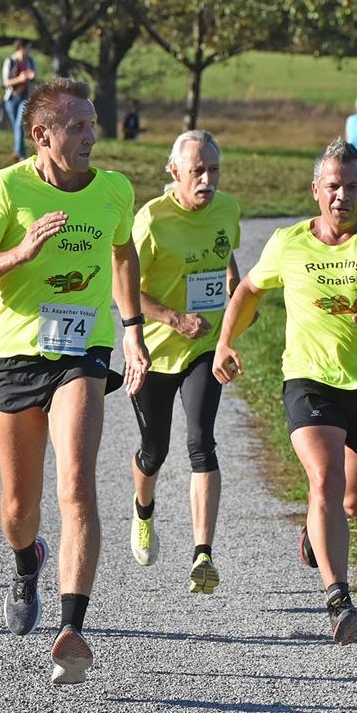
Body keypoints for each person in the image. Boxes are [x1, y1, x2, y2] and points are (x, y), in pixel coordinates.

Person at [0, 77, 150, 684]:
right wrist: (20, 255)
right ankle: (25, 562)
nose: (93, 135)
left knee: (77, 482)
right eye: (78, 127)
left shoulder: (115, 189)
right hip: (14, 357)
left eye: (93, 123)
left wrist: (133, 327)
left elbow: (122, 253)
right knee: (19, 507)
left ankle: (72, 627)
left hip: (81, 355)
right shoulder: (5, 188)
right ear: (41, 135)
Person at [212, 138, 357, 644]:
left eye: (353, 187)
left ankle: (316, 533)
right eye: (333, 186)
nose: (342, 196)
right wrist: (225, 342)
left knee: (351, 502)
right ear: (316, 190)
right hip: (309, 379)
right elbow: (249, 289)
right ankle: (339, 600)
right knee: (324, 478)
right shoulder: (289, 242)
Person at [127, 130, 241, 595]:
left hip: (202, 349)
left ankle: (202, 556)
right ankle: (143, 510)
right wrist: (173, 318)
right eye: (197, 171)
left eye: (214, 170)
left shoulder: (228, 211)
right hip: (155, 349)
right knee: (154, 451)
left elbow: (228, 262)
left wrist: (234, 302)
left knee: (201, 443)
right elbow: (124, 289)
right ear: (173, 172)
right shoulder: (151, 220)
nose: (207, 180)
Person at [1, 38, 37, 162]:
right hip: (11, 98)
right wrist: (21, 79)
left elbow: (34, 77)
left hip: (26, 98)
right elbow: (5, 82)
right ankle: (19, 151)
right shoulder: (10, 61)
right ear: (21, 47)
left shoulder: (30, 61)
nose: (30, 50)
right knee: (17, 126)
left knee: (19, 123)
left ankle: (19, 154)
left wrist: (32, 77)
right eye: (29, 47)